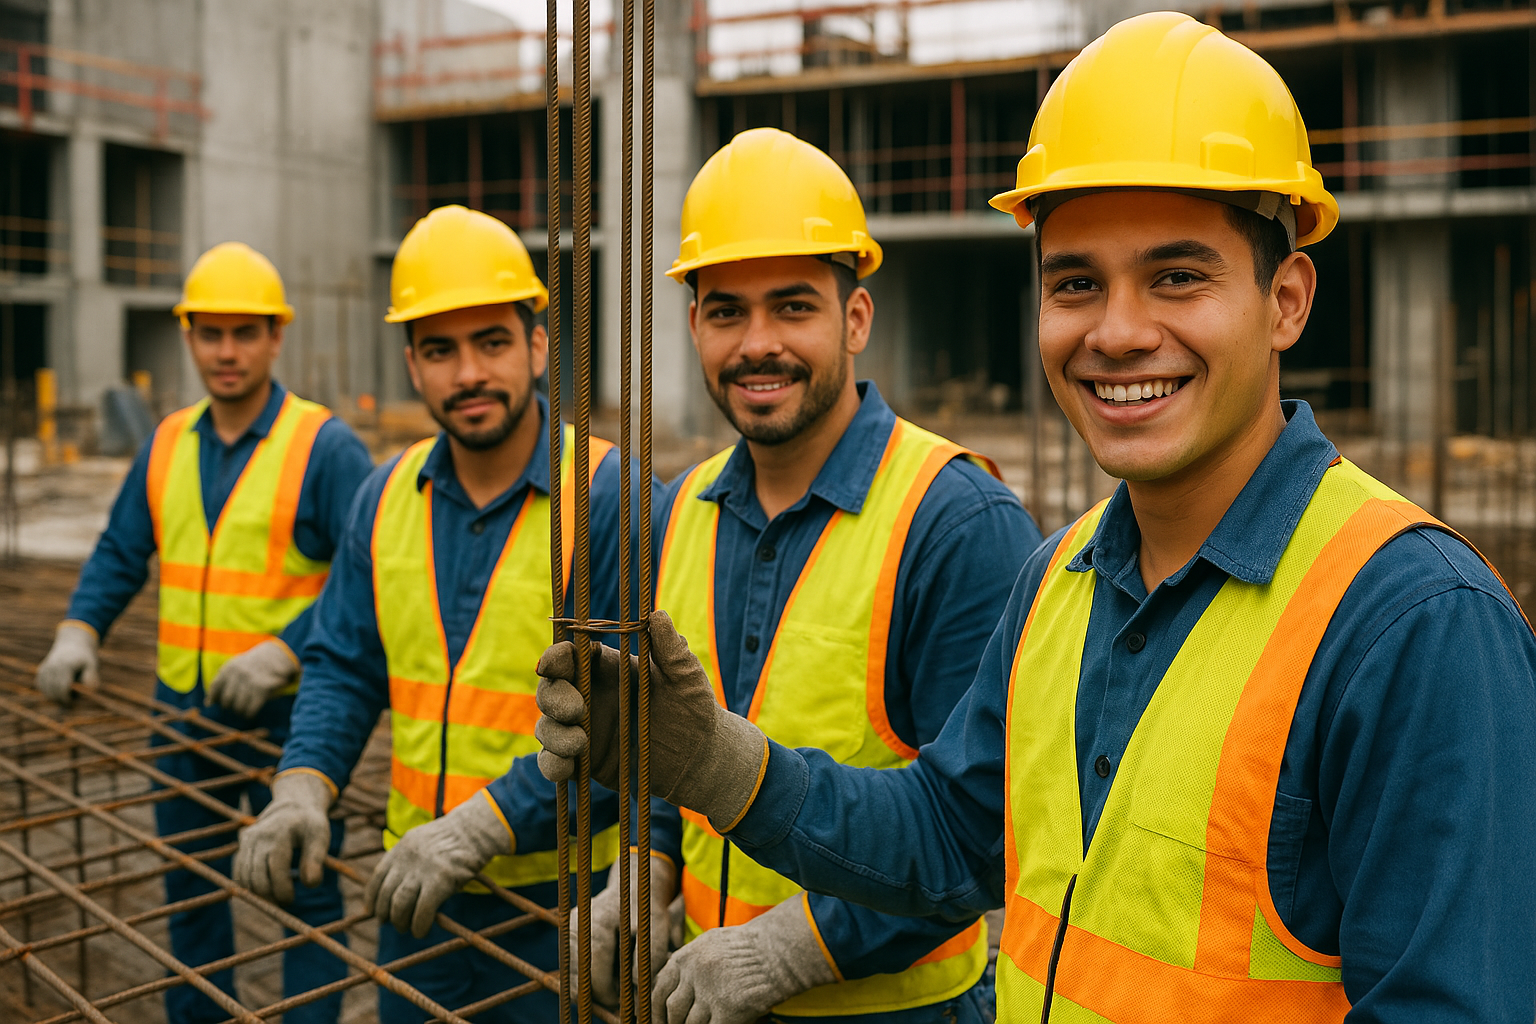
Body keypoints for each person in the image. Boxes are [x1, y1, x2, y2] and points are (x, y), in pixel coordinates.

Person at [535, 14, 1536, 1022]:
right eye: (1076, 283)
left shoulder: (1415, 626)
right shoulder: (1059, 578)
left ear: (1287, 299)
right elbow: (949, 836)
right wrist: (716, 762)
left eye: (1177, 276)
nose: (1119, 330)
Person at [575, 127, 1040, 1024]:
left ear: (855, 318)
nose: (758, 345)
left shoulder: (956, 523)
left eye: (793, 307)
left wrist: (793, 947)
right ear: (695, 326)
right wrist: (643, 865)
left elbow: (979, 837)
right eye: (726, 311)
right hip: (706, 996)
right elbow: (679, 749)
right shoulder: (683, 510)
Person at [233, 205, 633, 1024]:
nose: (468, 374)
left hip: (559, 905)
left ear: (539, 346)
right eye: (440, 350)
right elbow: (345, 666)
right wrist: (302, 786)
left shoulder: (609, 498)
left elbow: (637, 725)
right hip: (413, 893)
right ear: (412, 365)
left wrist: (481, 829)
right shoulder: (384, 497)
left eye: (491, 342)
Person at [34, 241, 374, 1024]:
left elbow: (372, 576)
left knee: (305, 896)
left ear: (275, 337)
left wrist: (286, 647)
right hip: (181, 712)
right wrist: (79, 629)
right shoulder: (166, 441)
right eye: (210, 333)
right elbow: (124, 548)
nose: (227, 352)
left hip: (290, 721)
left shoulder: (323, 446)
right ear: (187, 335)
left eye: (244, 333)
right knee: (189, 897)